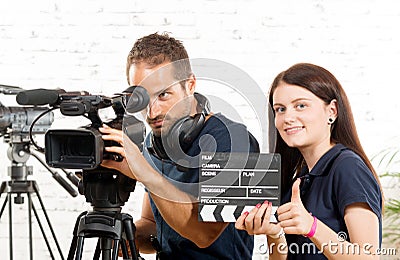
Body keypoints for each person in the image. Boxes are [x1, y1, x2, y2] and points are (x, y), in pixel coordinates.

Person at [99, 32, 259, 259]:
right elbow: (151, 226)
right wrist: (123, 236)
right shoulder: (154, 142)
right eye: (142, 99)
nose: (152, 113)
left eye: (163, 95)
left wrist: (144, 172)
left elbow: (205, 235)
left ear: (190, 84)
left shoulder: (233, 140)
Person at [235, 63, 383, 259]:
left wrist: (312, 227)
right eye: (280, 109)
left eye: (301, 106)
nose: (287, 117)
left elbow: (369, 257)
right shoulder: (299, 179)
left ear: (332, 111)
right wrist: (274, 233)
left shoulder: (348, 168)